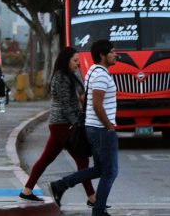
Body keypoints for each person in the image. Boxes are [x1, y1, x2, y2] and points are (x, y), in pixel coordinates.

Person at [19, 47, 97, 206]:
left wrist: (78, 74)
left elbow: (81, 94)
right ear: (65, 60)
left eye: (78, 61)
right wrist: (76, 124)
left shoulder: (69, 76)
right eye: (75, 60)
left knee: (48, 158)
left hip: (61, 125)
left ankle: (27, 190)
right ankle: (92, 198)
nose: (78, 63)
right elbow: (66, 104)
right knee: (82, 160)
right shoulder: (61, 78)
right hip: (63, 125)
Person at [50, 40, 118, 216]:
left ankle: (61, 184)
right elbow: (96, 104)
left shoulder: (92, 72)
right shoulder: (102, 76)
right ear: (102, 55)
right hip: (102, 130)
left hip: (93, 128)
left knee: (99, 169)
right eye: (112, 51)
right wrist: (109, 126)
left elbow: (86, 99)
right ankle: (99, 210)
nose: (115, 54)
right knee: (110, 172)